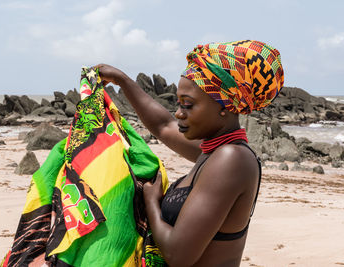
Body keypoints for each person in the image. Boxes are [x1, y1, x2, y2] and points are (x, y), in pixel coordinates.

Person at [96, 40, 284, 267]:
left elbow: (178, 255)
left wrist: (151, 202)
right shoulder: (213, 151)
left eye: (188, 105)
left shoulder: (231, 159)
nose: (179, 113)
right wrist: (122, 80)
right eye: (178, 103)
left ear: (224, 106)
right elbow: (164, 126)